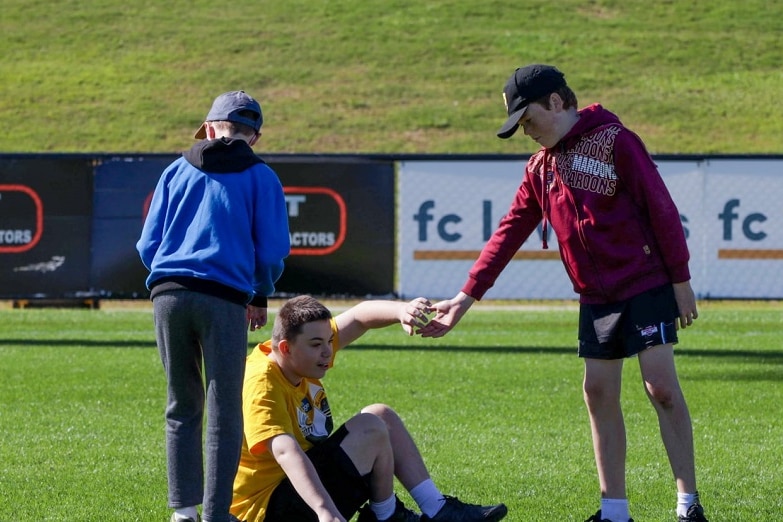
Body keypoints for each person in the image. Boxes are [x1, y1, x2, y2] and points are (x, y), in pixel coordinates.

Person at [418, 64, 708, 522]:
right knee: (597, 392)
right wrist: (465, 297)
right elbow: (509, 232)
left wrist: (681, 280)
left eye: (528, 120)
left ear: (556, 102)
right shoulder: (541, 166)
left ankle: (687, 505)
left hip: (646, 283)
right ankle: (614, 512)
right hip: (595, 297)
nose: (527, 132)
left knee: (661, 387)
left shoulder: (616, 141)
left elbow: (662, 208)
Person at [137, 90, 291, 522]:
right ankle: (216, 514)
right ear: (254, 137)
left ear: (207, 128)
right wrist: (259, 291)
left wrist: (171, 276)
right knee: (224, 411)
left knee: (181, 404)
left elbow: (148, 244)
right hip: (223, 298)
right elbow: (272, 252)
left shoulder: (174, 169)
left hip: (167, 294)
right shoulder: (262, 178)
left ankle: (183, 512)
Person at [230, 295, 508, 522]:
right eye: (317, 345)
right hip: (266, 510)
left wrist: (403, 310)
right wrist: (324, 510)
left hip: (297, 490)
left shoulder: (300, 354)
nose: (328, 351)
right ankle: (386, 517)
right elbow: (284, 451)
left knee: (381, 416)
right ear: (285, 348)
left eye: (329, 341)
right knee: (370, 429)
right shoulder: (262, 380)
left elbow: (360, 316)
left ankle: (437, 509)